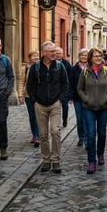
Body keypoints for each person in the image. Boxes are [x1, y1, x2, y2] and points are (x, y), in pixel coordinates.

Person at [27, 41, 69, 174]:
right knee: (43, 134)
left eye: (55, 51)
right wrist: (34, 101)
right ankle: (46, 160)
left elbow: (65, 84)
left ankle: (56, 160)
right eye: (51, 52)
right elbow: (30, 85)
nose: (54, 54)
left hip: (55, 103)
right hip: (40, 104)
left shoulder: (60, 66)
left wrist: (60, 99)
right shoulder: (36, 67)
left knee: (55, 131)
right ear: (44, 53)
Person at [77, 48, 107, 174]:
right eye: (95, 56)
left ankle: (100, 154)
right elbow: (79, 89)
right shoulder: (85, 72)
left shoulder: (106, 71)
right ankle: (91, 162)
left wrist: (106, 98)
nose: (98, 58)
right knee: (91, 135)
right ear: (90, 58)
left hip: (103, 107)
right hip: (88, 108)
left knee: (102, 134)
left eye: (100, 56)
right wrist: (86, 99)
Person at [18, 50, 40, 147]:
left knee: (39, 116)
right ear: (29, 58)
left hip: (40, 96)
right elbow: (22, 82)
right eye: (34, 56)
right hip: (28, 95)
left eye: (37, 56)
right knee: (32, 116)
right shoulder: (25, 68)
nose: (36, 57)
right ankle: (35, 135)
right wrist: (20, 94)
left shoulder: (41, 66)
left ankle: (38, 135)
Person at [69, 48, 89, 147]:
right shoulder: (75, 68)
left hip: (89, 97)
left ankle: (86, 139)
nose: (84, 57)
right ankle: (81, 136)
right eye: (82, 55)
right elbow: (71, 82)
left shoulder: (92, 67)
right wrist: (70, 96)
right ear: (79, 56)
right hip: (77, 97)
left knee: (87, 119)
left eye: (85, 55)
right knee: (80, 119)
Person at [55, 47, 72, 127]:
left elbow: (70, 76)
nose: (58, 55)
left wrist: (69, 91)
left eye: (59, 53)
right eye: (57, 53)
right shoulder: (52, 62)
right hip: (55, 90)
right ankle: (56, 123)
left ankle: (65, 120)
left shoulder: (66, 63)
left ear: (62, 54)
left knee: (65, 106)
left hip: (65, 89)